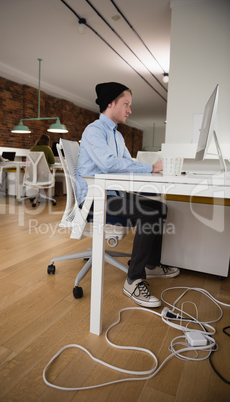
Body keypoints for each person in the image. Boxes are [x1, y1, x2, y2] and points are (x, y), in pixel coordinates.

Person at [75, 82, 180, 308]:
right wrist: (151, 168)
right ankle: (133, 281)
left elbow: (128, 164)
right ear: (110, 104)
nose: (129, 110)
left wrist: (152, 168)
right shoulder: (94, 131)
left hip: (110, 195)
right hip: (95, 200)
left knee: (160, 208)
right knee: (150, 213)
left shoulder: (117, 136)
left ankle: (150, 265)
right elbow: (109, 164)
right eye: (126, 104)